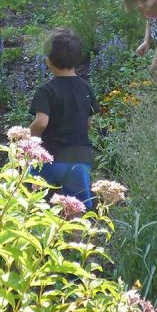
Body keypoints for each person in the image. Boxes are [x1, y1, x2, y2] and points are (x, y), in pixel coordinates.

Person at [29, 28, 99, 210]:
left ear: (49, 60)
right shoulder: (86, 88)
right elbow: (89, 123)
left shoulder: (46, 90)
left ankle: (37, 235)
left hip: (51, 157)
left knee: (31, 200)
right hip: (80, 158)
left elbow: (41, 122)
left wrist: (27, 138)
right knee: (75, 207)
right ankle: (76, 237)